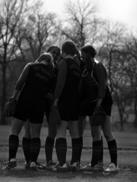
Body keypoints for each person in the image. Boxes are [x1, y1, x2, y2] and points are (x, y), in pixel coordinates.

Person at [3, 53, 56, 170]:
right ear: (50, 62)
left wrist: (13, 98)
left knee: (14, 131)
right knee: (35, 135)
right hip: (39, 104)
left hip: (24, 101)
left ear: (40, 58)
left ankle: (12, 159)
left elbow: (19, 83)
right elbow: (50, 94)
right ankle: (32, 162)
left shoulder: (31, 66)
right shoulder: (51, 74)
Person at [79, 45, 119, 172]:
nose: (81, 56)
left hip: (103, 102)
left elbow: (102, 86)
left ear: (89, 54)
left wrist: (98, 105)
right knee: (95, 133)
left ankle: (114, 164)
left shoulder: (97, 65)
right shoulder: (86, 67)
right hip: (94, 102)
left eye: (83, 53)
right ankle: (96, 163)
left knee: (107, 133)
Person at [53, 41, 82, 171]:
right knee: (75, 132)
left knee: (61, 130)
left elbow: (60, 83)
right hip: (75, 102)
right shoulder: (77, 65)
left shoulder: (63, 63)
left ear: (64, 51)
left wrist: (56, 99)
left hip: (64, 101)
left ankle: (62, 163)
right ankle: (75, 162)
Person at [44, 46, 61, 168]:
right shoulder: (41, 65)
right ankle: (31, 161)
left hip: (52, 102)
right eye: (52, 52)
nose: (54, 54)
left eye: (57, 53)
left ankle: (49, 160)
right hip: (41, 101)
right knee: (32, 131)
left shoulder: (58, 67)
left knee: (52, 132)